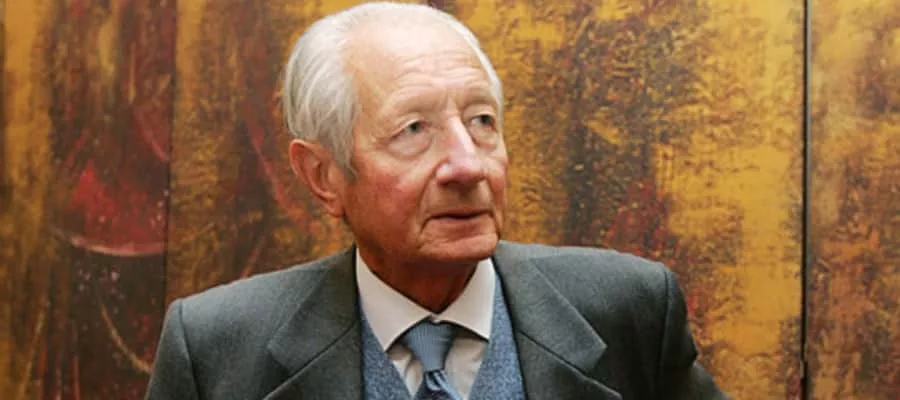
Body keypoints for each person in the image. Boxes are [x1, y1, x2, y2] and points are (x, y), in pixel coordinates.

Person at [145, 3, 727, 399]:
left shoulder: (631, 313)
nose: (467, 165)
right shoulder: (216, 351)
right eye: (414, 130)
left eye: (482, 121)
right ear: (323, 175)